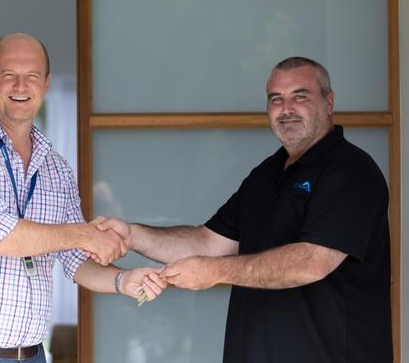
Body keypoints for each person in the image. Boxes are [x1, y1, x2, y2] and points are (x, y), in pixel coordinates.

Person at [97, 57, 392, 362]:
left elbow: (313, 262)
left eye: (300, 96)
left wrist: (213, 271)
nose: (286, 108)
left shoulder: (351, 171)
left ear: (328, 102)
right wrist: (132, 235)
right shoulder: (266, 175)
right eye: (276, 99)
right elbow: (207, 243)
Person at [0, 33, 165, 363]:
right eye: (9, 75)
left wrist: (123, 280)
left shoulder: (56, 167)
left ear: (46, 83)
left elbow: (76, 260)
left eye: (32, 76)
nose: (21, 86)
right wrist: (85, 234)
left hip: (32, 355)